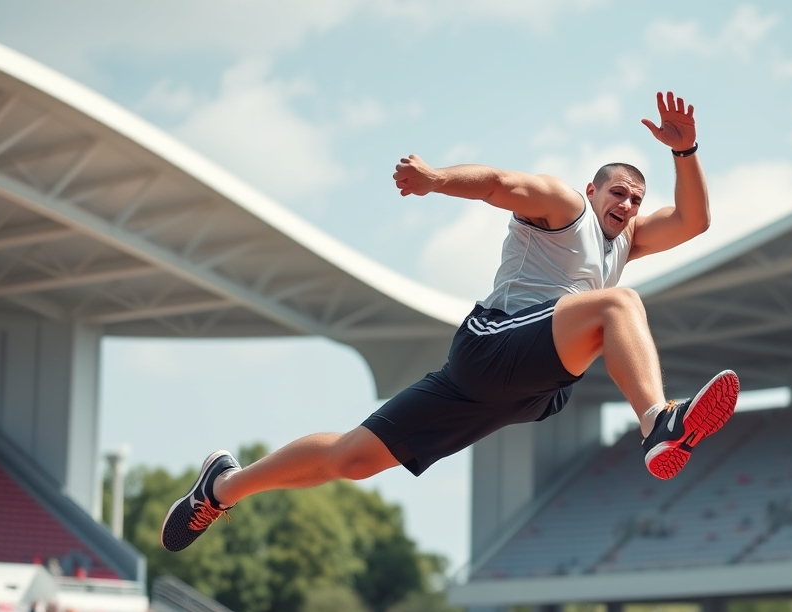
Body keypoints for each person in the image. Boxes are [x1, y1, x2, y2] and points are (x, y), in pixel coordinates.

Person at [159, 91, 738, 552]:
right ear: (594, 189)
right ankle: (658, 420)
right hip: (490, 349)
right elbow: (496, 184)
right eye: (620, 191)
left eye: (638, 199)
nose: (629, 205)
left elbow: (693, 220)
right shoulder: (567, 205)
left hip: (527, 391)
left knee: (353, 461)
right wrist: (436, 179)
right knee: (620, 305)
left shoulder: (627, 241)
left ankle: (221, 486)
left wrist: (685, 153)